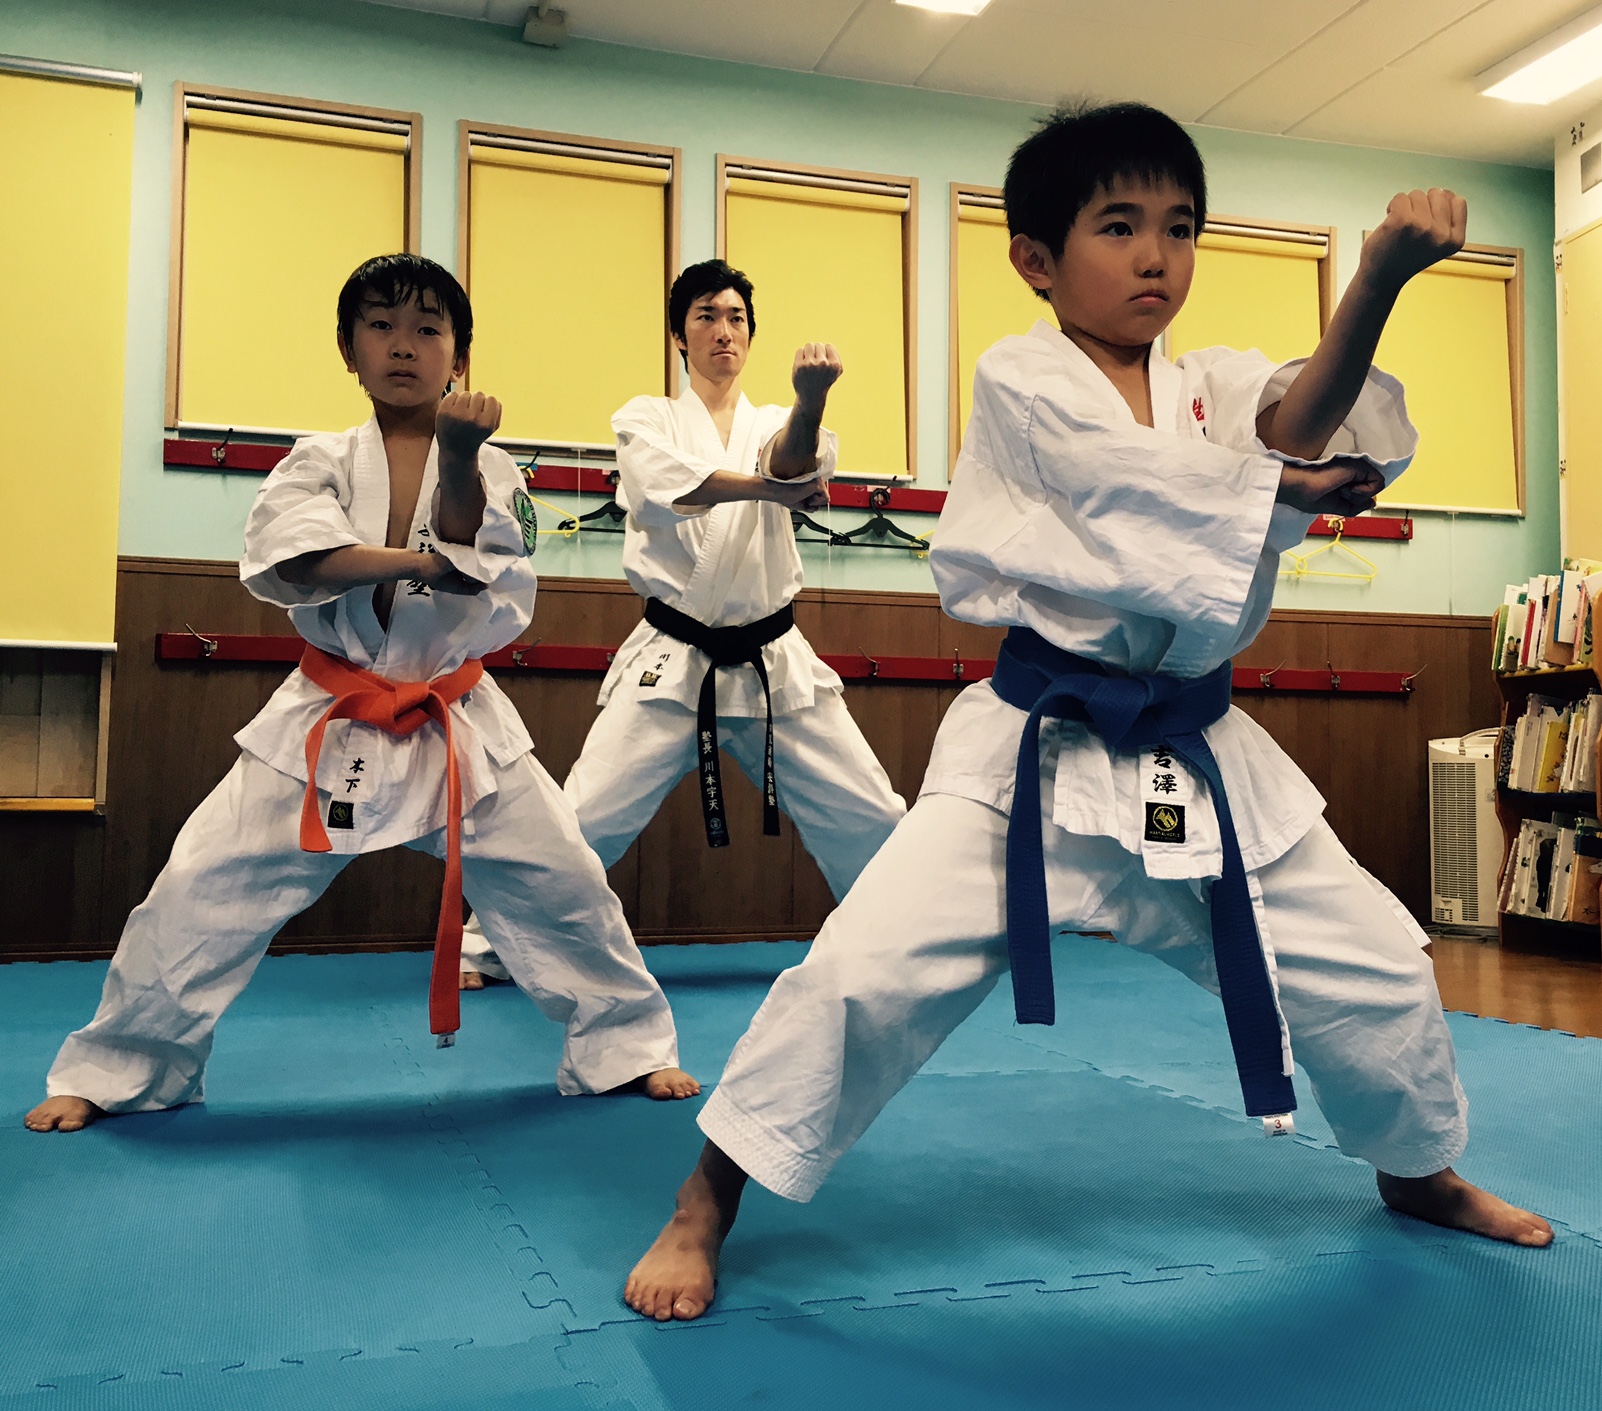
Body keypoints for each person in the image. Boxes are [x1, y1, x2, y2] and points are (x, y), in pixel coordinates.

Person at [622, 103, 1553, 1322]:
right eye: (1119, 226)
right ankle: (706, 1196)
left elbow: (1297, 420)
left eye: (1180, 226)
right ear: (1036, 259)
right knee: (862, 974)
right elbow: (1133, 484)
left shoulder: (1211, 386)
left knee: (1374, 961)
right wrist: (1284, 486)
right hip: (1037, 752)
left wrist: (1376, 278)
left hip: (1195, 754)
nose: (1156, 255)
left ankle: (1416, 1169)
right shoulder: (1022, 379)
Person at [26, 253, 697, 1134]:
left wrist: (459, 457)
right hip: (332, 711)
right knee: (200, 886)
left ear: (460, 357)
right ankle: (119, 1066)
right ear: (349, 350)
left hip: (455, 715)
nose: (403, 345)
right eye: (380, 326)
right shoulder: (319, 460)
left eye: (427, 329)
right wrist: (424, 561)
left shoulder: (495, 471)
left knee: (564, 883)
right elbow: (306, 560)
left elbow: (479, 565)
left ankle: (628, 1046)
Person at [457, 259, 906, 988]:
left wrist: (811, 400)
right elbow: (672, 486)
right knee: (585, 815)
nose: (723, 330)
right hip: (674, 657)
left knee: (868, 810)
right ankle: (489, 946)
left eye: (736, 317)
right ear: (679, 336)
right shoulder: (646, 419)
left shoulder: (778, 420)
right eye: (706, 316)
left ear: (750, 335)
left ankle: (905, 943)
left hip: (772, 658)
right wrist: (773, 490)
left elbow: (794, 460)